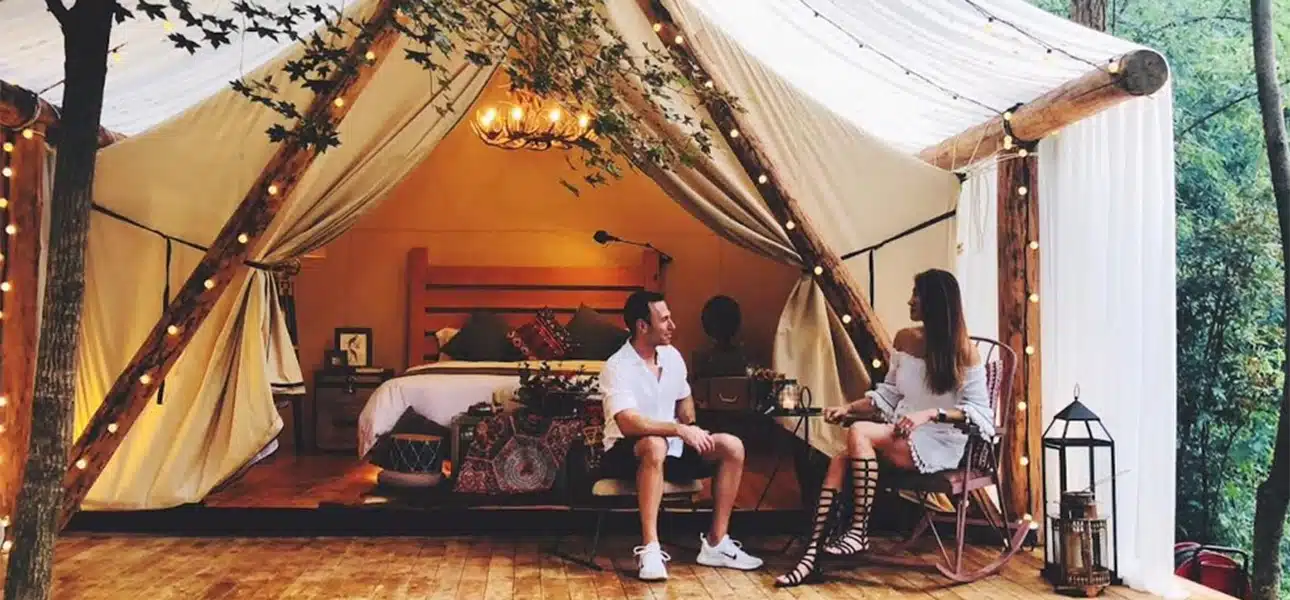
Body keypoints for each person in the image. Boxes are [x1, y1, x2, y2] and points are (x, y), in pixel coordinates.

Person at [774, 268, 995, 587]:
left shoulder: (964, 352)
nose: (910, 300)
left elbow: (978, 412)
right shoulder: (904, 339)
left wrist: (931, 414)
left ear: (935, 302)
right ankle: (810, 558)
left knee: (859, 432)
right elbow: (889, 394)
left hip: (937, 442)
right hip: (899, 434)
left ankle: (858, 531)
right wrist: (849, 408)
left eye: (917, 295)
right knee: (839, 460)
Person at [599, 290, 764, 580]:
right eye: (664, 320)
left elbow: (684, 396)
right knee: (654, 445)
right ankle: (650, 549)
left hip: (672, 449)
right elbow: (628, 423)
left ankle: (716, 543)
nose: (672, 325)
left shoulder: (672, 356)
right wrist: (678, 429)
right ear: (642, 326)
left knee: (731, 446)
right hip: (626, 453)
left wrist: (690, 422)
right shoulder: (616, 366)